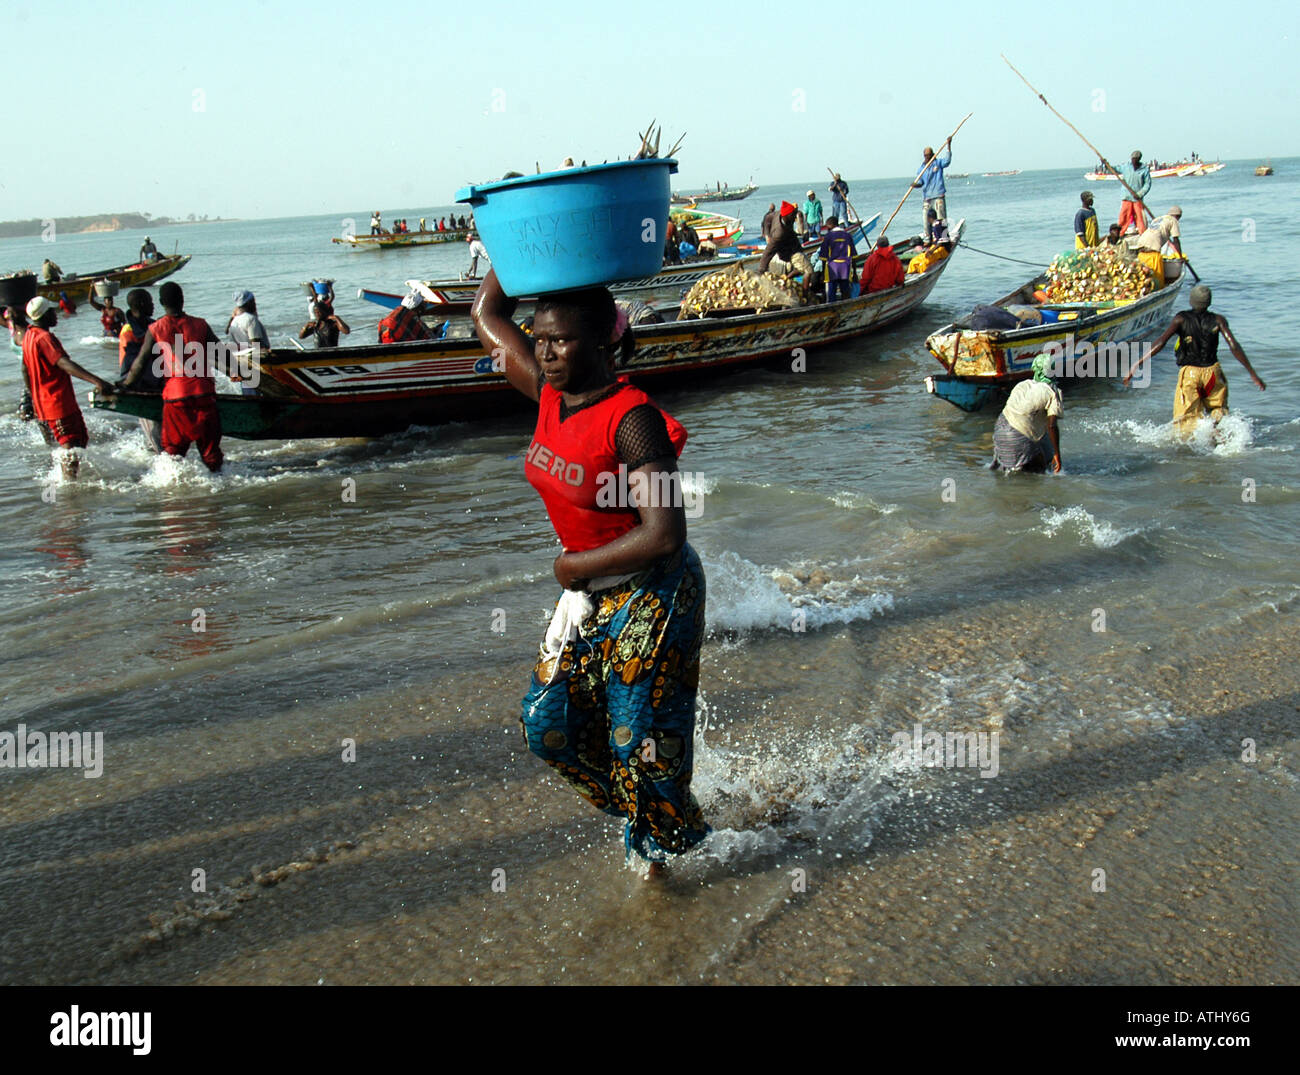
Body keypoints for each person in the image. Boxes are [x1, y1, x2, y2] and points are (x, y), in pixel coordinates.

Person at [470, 268, 710, 872]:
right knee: (546, 725)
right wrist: (518, 242)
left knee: (637, 739)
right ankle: (663, 816)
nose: (545, 351)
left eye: (561, 341)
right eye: (539, 338)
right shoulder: (549, 394)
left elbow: (664, 533)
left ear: (602, 343)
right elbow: (486, 316)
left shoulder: (632, 420)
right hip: (589, 589)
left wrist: (570, 565)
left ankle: (669, 853)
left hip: (655, 589)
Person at [1122, 284, 1265, 434]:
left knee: (1186, 419)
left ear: (1191, 301)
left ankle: (1190, 451)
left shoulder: (1181, 319)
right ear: (1209, 302)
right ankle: (1220, 440)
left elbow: (1161, 342)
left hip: (1190, 374)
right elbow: (1234, 346)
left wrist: (1137, 364)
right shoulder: (1218, 320)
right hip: (1212, 374)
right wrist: (1253, 374)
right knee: (1218, 411)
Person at [120, 281, 226, 471]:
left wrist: (126, 385)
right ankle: (220, 493)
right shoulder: (200, 324)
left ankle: (175, 496)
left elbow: (141, 362)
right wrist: (241, 372)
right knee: (211, 454)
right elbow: (222, 354)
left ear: (161, 302)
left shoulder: (156, 328)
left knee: (173, 453)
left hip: (176, 397)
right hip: (204, 393)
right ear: (183, 300)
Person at [20, 296, 116, 478]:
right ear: (45, 315)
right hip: (57, 403)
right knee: (70, 446)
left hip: (49, 402)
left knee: (79, 440)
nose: (56, 314)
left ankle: (73, 480)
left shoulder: (28, 336)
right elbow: (64, 364)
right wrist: (97, 381)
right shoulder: (44, 337)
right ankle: (69, 490)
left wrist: (34, 398)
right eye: (52, 311)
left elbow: (25, 369)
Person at [992, 353, 1063, 473]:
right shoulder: (1052, 392)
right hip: (1019, 436)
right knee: (1040, 472)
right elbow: (1051, 425)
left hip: (1000, 431)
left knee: (1005, 471)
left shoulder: (1022, 384)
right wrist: (1057, 455)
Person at [117, 288, 164, 450]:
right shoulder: (128, 331)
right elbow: (130, 363)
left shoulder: (152, 324)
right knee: (153, 431)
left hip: (157, 383)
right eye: (151, 302)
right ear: (142, 304)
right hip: (141, 386)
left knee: (160, 428)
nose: (153, 305)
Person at [759, 202, 814, 290]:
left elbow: (767, 217)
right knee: (809, 271)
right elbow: (768, 252)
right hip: (789, 251)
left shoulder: (778, 214)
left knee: (800, 268)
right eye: (793, 216)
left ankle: (786, 279)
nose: (795, 218)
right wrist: (761, 270)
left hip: (792, 244)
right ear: (788, 215)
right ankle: (806, 295)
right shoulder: (779, 233)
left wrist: (767, 233)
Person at [226, 290, 270, 395]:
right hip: (255, 364)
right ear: (249, 303)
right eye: (253, 301)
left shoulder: (234, 322)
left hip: (243, 363)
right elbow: (256, 343)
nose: (255, 304)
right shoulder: (251, 320)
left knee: (248, 393)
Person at [1133, 206, 1184, 288]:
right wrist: (1180, 257)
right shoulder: (1173, 221)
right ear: (1178, 216)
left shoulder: (1158, 218)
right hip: (1152, 253)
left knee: (1144, 276)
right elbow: (1176, 241)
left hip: (1141, 247)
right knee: (1157, 280)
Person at [913, 140, 952, 242]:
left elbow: (947, 161)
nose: (927, 157)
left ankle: (943, 238)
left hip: (938, 195)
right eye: (926, 155)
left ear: (932, 155)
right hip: (927, 197)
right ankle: (928, 239)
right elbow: (920, 182)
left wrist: (949, 145)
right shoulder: (922, 169)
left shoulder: (938, 163)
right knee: (926, 219)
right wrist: (915, 185)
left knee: (940, 218)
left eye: (929, 155)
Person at [815, 216, 858, 301]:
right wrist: (855, 273)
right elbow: (853, 256)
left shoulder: (828, 237)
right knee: (845, 292)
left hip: (832, 269)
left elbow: (824, 258)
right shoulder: (848, 235)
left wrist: (823, 274)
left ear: (831, 225)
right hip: (845, 268)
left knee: (831, 294)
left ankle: (832, 309)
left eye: (827, 226)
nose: (827, 228)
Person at [1117, 150, 1152, 235]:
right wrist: (1105, 164)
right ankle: (1120, 233)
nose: (1133, 161)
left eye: (1135, 159)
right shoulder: (1126, 167)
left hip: (1137, 198)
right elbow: (1114, 169)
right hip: (1127, 197)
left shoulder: (1144, 169)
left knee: (1140, 217)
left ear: (1139, 159)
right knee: (1124, 216)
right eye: (1132, 159)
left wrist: (1140, 194)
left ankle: (1142, 233)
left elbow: (1147, 184)